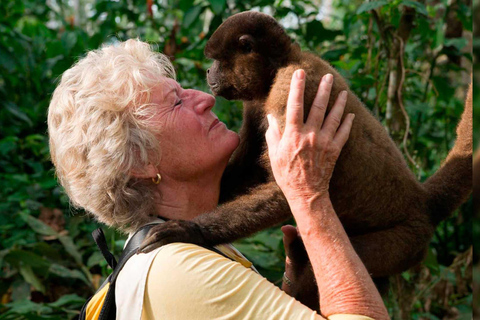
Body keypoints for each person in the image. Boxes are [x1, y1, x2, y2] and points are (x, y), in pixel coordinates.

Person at [48, 39, 389, 320]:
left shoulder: (189, 250)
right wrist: (308, 193)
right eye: (177, 101)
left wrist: (295, 287)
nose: (207, 97)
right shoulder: (174, 270)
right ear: (140, 160)